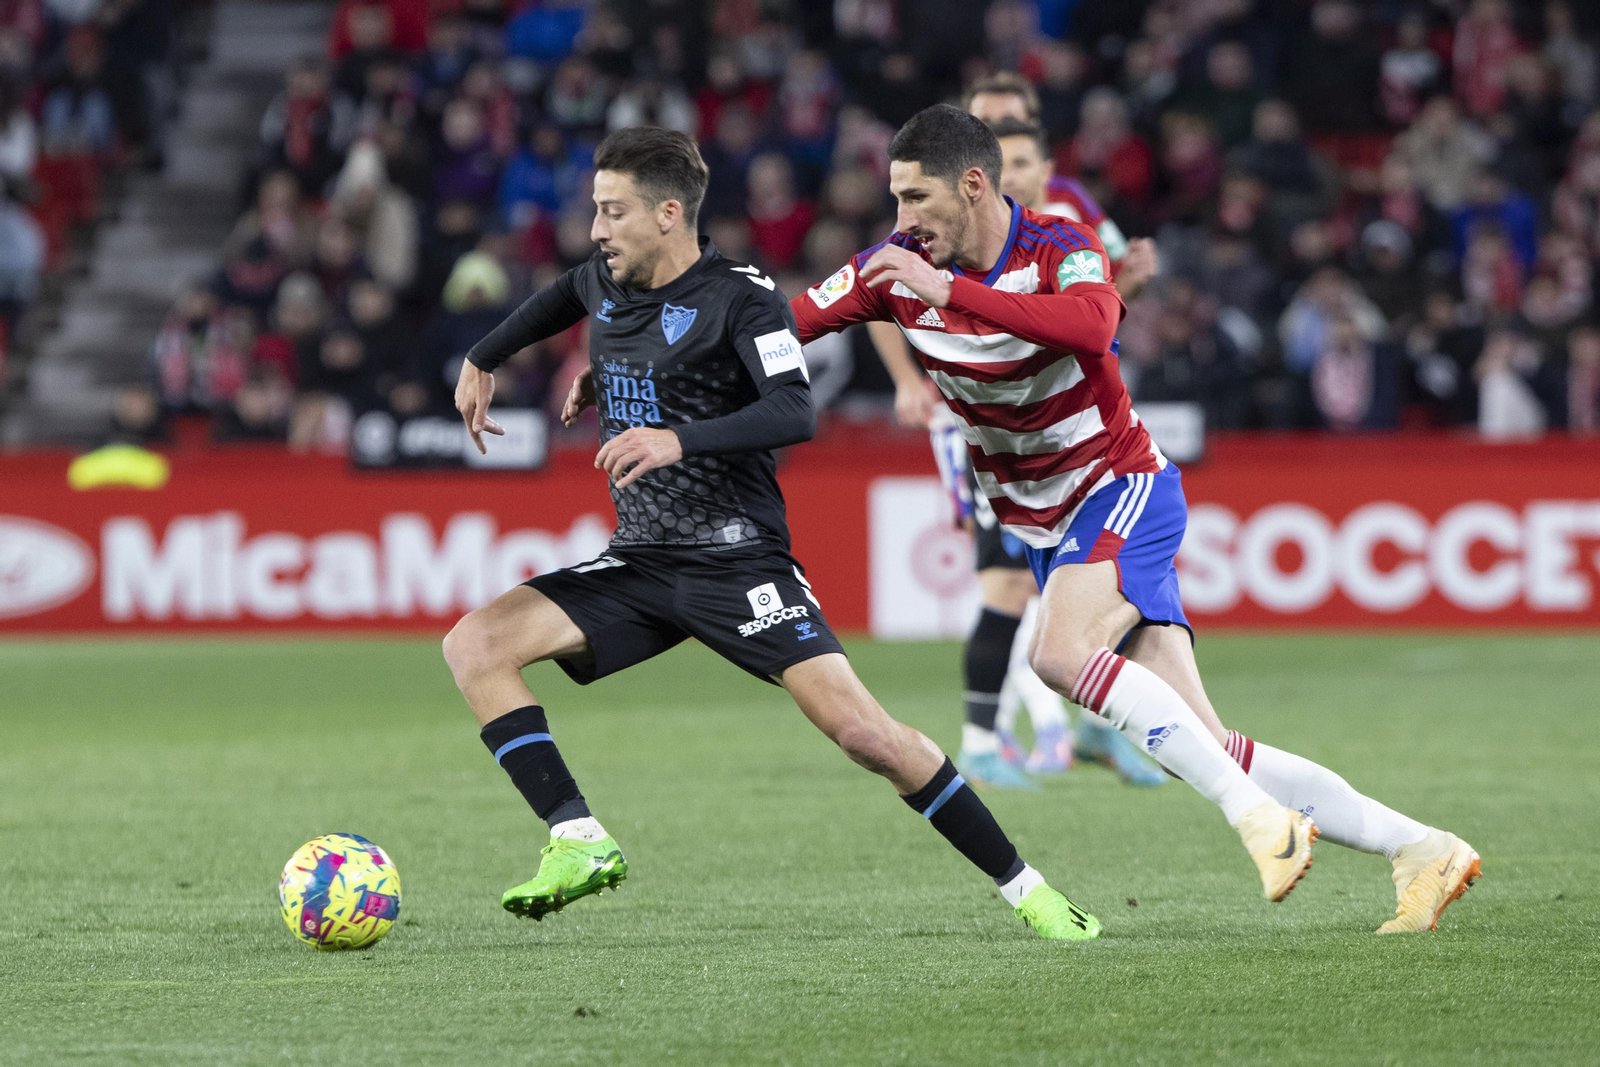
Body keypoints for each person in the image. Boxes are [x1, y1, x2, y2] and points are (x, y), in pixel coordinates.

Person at [792, 105, 1480, 932]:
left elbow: (1095, 323)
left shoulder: (1062, 245)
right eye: (895, 198)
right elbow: (783, 327)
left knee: (1057, 654)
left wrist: (954, 291)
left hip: (1119, 485)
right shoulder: (892, 268)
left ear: (972, 185)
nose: (901, 219)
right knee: (1206, 742)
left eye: (916, 198)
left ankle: (1258, 819)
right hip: (1044, 524)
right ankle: (1424, 848)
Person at [444, 125, 1099, 941]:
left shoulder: (741, 297)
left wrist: (676, 439)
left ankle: (1028, 888)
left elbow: (794, 410)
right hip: (641, 560)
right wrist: (484, 356)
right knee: (476, 644)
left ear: (668, 214)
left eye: (613, 212)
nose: (596, 229)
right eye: (597, 210)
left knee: (867, 736)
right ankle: (578, 838)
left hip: (738, 561)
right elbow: (558, 301)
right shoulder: (603, 281)